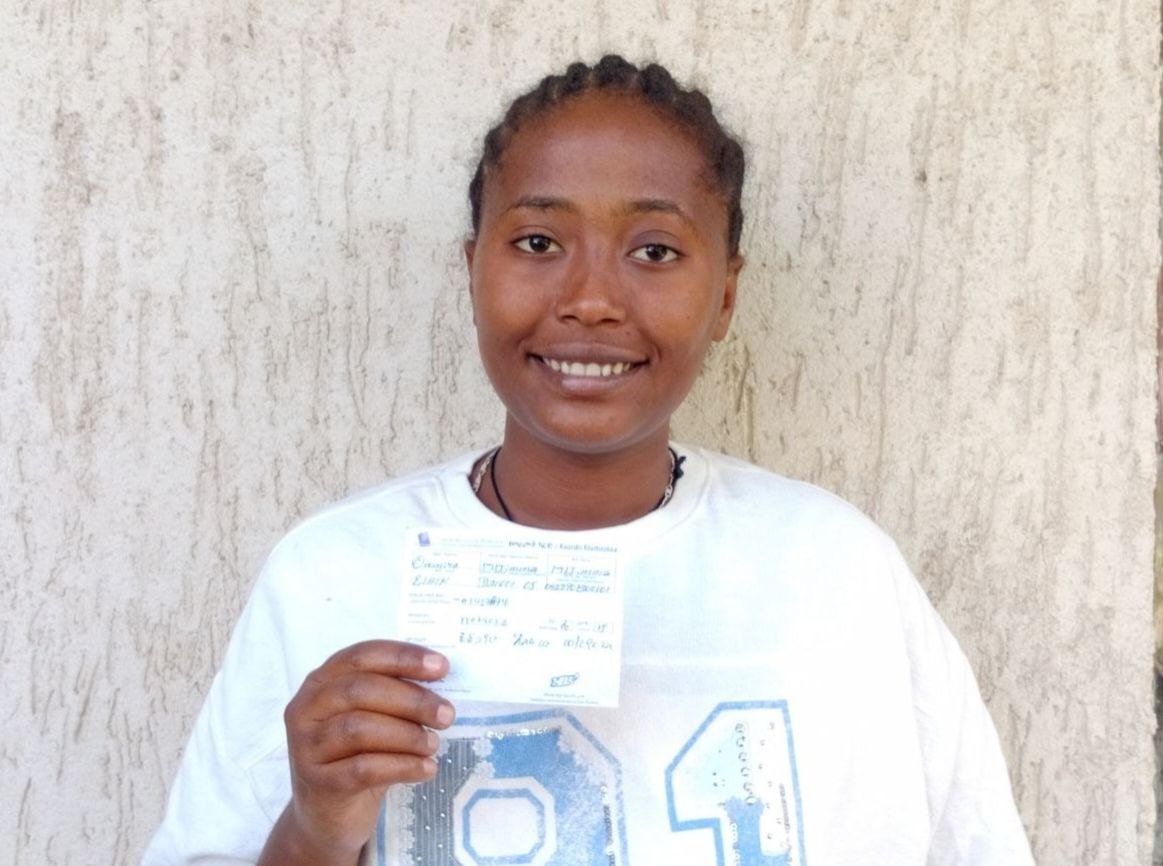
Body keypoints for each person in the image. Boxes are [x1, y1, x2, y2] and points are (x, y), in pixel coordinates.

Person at [142, 55, 1034, 866]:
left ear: (725, 295)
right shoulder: (334, 575)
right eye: (538, 243)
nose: (592, 299)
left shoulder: (835, 573)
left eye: (654, 250)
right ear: (472, 271)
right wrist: (316, 829)